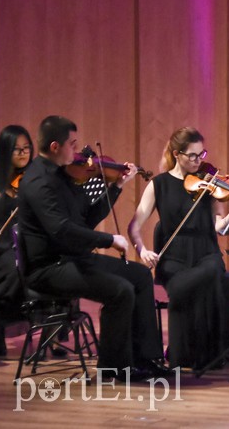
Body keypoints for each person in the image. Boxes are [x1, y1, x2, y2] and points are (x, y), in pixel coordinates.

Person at [18, 115, 168, 380]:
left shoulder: (63, 176)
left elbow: (85, 218)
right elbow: (61, 229)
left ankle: (144, 358)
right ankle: (114, 368)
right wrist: (108, 240)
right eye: (73, 145)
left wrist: (118, 185)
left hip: (72, 258)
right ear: (55, 146)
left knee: (141, 275)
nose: (77, 152)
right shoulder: (37, 181)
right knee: (119, 290)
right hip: (48, 268)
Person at [128, 127, 229, 369]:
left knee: (212, 271)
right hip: (174, 258)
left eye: (201, 154)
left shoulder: (208, 185)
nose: (198, 160)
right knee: (195, 282)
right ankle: (189, 354)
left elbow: (220, 227)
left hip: (206, 253)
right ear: (176, 154)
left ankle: (191, 353)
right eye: (192, 156)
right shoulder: (158, 185)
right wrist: (142, 250)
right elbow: (134, 226)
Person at [0, 125, 32, 356]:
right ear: (5, 151)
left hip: (26, 247)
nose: (23, 153)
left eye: (26, 148)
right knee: (15, 270)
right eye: (17, 149)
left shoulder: (34, 181)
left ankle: (52, 333)